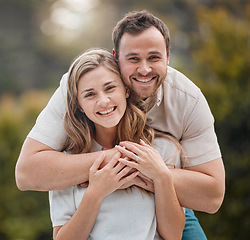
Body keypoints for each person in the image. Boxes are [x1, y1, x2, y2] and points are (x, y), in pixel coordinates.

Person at [15, 10, 225, 239]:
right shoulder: (76, 85)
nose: (144, 69)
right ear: (116, 57)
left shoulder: (188, 100)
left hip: (169, 195)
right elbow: (26, 174)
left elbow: (212, 197)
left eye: (154, 57)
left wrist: (158, 174)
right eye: (133, 58)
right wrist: (124, 164)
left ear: (168, 56)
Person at [49, 48, 185, 240]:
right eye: (90, 95)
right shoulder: (68, 164)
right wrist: (95, 193)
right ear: (78, 104)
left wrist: (162, 176)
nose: (103, 101)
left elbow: (174, 235)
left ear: (126, 90)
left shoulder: (162, 149)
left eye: (110, 88)